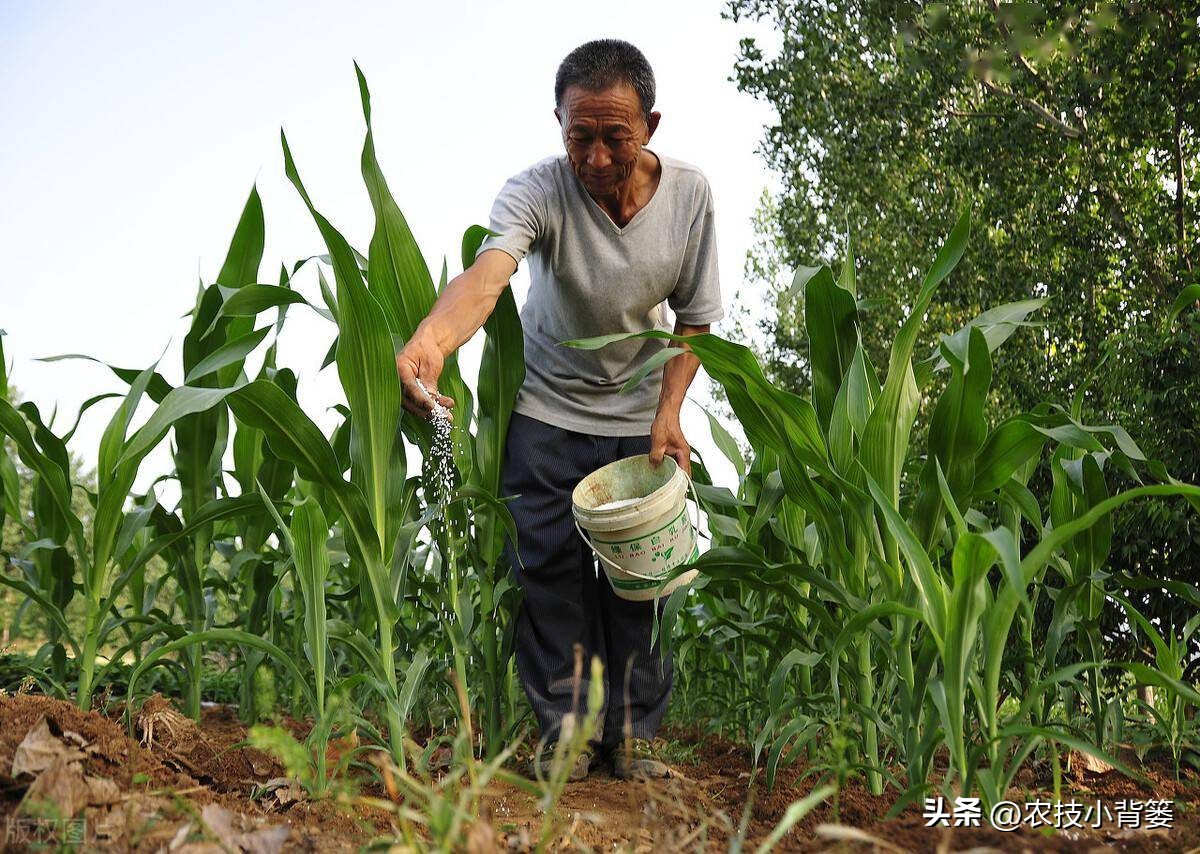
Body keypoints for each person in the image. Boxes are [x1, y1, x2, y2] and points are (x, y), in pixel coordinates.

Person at [394, 38, 722, 781]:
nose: (597, 157)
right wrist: (432, 341)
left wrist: (670, 410)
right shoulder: (538, 190)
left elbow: (695, 319)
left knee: (639, 577)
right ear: (558, 124)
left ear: (652, 127)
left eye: (616, 137)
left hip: (641, 419)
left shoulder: (691, 197)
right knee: (549, 572)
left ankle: (634, 737)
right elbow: (488, 275)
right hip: (545, 412)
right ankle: (567, 738)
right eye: (580, 137)